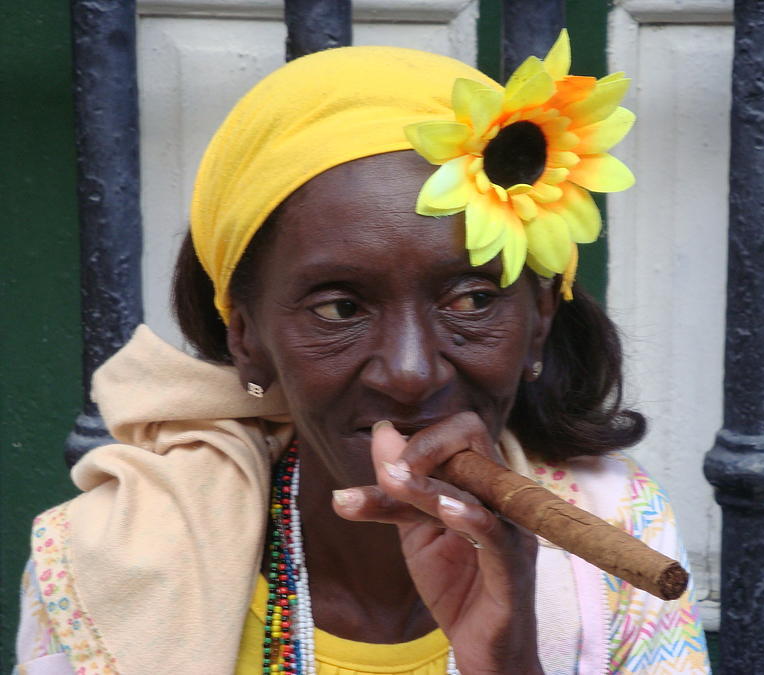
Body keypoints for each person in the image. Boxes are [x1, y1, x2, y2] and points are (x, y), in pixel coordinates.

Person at [16, 31, 710, 674]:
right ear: (247, 339)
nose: (409, 373)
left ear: (539, 322)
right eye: (340, 309)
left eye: (471, 299)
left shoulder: (620, 529)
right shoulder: (104, 563)